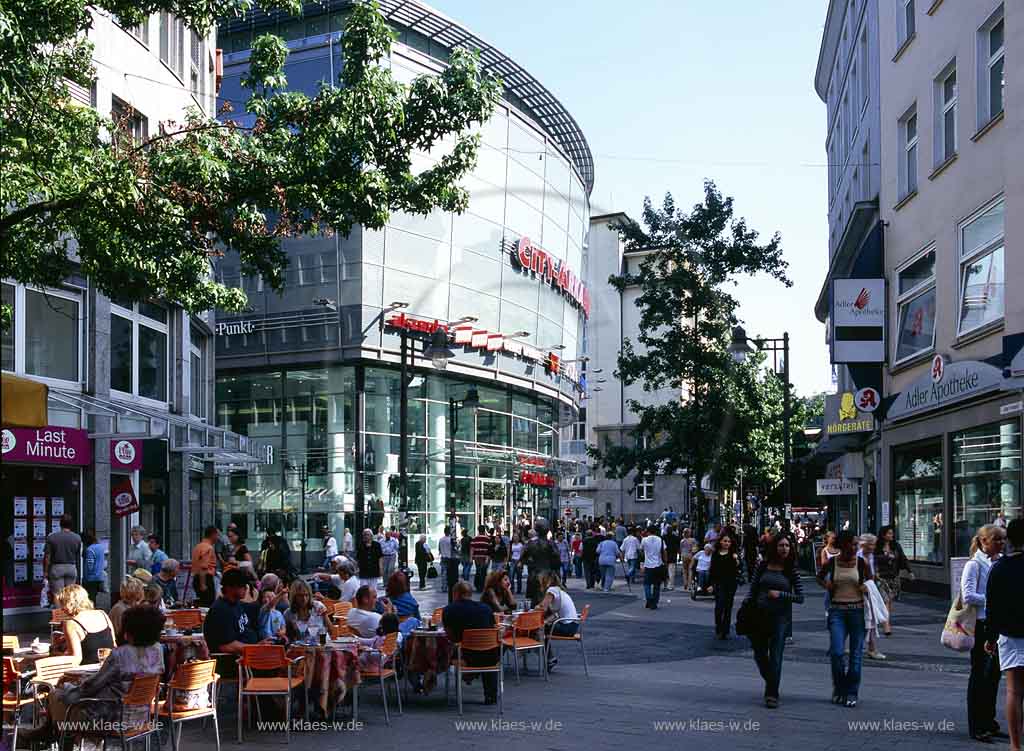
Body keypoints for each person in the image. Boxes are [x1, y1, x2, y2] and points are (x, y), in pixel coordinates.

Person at [22, 605, 166, 746]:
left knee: (56, 696)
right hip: (141, 718)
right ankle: (52, 733)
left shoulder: (120, 655)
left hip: (111, 720)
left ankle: (51, 734)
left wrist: (67, 690)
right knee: (65, 702)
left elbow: (91, 687)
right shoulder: (157, 650)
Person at [747, 534, 804, 708]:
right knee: (759, 653)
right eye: (781, 545)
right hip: (759, 614)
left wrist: (781, 594)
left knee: (776, 655)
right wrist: (748, 604)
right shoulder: (763, 565)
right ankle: (771, 679)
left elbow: (800, 598)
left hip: (780, 617)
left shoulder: (790, 570)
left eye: (787, 545)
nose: (785, 548)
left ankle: (772, 692)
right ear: (774, 547)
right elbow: (753, 587)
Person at [963, 523, 1007, 743]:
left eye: (1002, 539)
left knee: (993, 676)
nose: (1001, 543)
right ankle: (976, 725)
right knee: (979, 674)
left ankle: (989, 722)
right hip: (980, 625)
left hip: (995, 624)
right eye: (996, 539)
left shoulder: (999, 562)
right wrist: (993, 598)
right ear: (983, 542)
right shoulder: (974, 564)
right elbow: (968, 595)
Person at [817, 529, 871, 708]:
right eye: (852, 544)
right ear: (843, 545)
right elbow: (819, 577)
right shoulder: (832, 563)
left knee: (856, 655)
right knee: (837, 652)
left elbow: (872, 583)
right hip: (837, 612)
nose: (856, 547)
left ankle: (851, 692)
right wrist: (827, 584)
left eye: (857, 544)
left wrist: (866, 587)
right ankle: (839, 688)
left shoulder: (862, 563)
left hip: (857, 612)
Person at [985, 518, 1024, 751]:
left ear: (1009, 539)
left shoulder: (999, 568)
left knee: (1013, 690)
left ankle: (1015, 745)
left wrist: (990, 638)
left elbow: (992, 606)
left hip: (1009, 634)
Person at [443, 581, 499, 704]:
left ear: (456, 594)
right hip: (491, 656)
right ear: (470, 594)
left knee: (448, 649)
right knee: (486, 649)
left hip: (466, 656)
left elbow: (450, 637)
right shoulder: (486, 608)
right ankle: (491, 695)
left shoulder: (449, 610)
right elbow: (493, 628)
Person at [204, 568, 262, 678]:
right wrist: (255, 649)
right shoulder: (220, 610)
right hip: (233, 662)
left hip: (247, 656)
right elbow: (226, 646)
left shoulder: (236, 604)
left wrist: (260, 646)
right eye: (242, 586)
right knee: (272, 663)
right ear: (229, 587)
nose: (246, 588)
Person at [56, 584, 115, 665]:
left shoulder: (71, 624)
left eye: (63, 603)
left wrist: (56, 655)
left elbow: (76, 659)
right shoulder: (103, 614)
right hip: (110, 668)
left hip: (88, 673)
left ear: (72, 603)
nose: (61, 608)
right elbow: (114, 645)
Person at [535, 572, 578, 672]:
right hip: (573, 625)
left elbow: (543, 608)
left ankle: (549, 657)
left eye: (540, 581)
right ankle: (549, 657)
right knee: (543, 628)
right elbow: (556, 615)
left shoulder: (552, 590)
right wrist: (546, 621)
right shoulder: (559, 591)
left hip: (567, 627)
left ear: (546, 581)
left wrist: (532, 610)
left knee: (539, 630)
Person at [875, 525, 913, 636]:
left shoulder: (896, 546)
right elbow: (873, 559)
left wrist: (909, 571)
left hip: (893, 577)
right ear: (883, 535)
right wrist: (886, 558)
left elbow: (903, 558)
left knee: (889, 601)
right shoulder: (877, 547)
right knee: (886, 600)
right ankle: (887, 627)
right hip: (881, 577)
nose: (891, 535)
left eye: (892, 533)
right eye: (889, 533)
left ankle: (885, 620)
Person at [858, 534, 888, 661]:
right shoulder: (859, 557)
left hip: (869, 589)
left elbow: (872, 574)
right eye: (871, 544)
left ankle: (869, 648)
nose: (873, 547)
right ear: (864, 544)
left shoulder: (869, 556)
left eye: (874, 544)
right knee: (867, 620)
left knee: (869, 620)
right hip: (861, 590)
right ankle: (869, 648)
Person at [709, 534, 740, 639]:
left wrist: (736, 560)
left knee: (728, 607)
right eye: (725, 541)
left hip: (730, 584)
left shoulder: (733, 554)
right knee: (719, 606)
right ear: (720, 542)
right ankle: (719, 626)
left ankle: (725, 630)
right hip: (719, 584)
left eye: (729, 542)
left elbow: (737, 569)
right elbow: (712, 569)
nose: (727, 543)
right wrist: (710, 584)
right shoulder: (716, 554)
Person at [44, 514, 82, 600]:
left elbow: (47, 557)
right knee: (70, 596)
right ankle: (69, 612)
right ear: (71, 524)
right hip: (71, 567)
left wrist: (46, 572)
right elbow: (78, 554)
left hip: (57, 568)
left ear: (60, 523)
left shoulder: (52, 537)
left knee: (58, 595)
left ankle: (59, 613)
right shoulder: (77, 538)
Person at [109, 576, 144, 643]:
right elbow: (120, 635)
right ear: (137, 592)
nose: (144, 591)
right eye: (142, 589)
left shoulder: (132, 606)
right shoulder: (120, 609)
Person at [191, 526, 220, 607]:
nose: (218, 538)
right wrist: (203, 584)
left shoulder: (198, 546)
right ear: (213, 535)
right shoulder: (208, 548)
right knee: (207, 606)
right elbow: (203, 567)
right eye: (217, 535)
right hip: (205, 579)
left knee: (201, 604)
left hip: (197, 578)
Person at [640, 524, 667, 609]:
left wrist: (642, 563)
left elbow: (641, 551)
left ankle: (649, 599)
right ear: (656, 531)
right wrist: (665, 563)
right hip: (658, 564)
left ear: (648, 531)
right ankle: (654, 602)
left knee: (646, 584)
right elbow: (664, 552)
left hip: (648, 565)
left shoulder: (644, 540)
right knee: (656, 585)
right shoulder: (661, 540)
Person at [82, 531, 106, 602]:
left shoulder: (90, 549)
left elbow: (90, 564)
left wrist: (86, 576)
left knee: (90, 598)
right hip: (99, 576)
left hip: (91, 577)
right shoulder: (101, 547)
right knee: (94, 597)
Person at [470, 525, 493, 593]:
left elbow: (472, 549)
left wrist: (471, 558)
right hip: (485, 558)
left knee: (478, 571)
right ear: (484, 530)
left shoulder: (474, 539)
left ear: (478, 530)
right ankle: (482, 586)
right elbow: (490, 550)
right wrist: (488, 558)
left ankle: (478, 585)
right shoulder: (488, 539)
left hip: (477, 558)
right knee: (483, 572)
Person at [438, 525, 458, 597]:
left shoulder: (441, 539)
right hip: (450, 558)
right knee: (450, 573)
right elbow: (455, 549)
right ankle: (449, 585)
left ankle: (444, 586)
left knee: (444, 572)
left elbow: (439, 548)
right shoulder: (451, 540)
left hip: (443, 557)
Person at [662, 525, 680, 591]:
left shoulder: (663, 537)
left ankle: (665, 585)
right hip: (673, 556)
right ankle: (671, 585)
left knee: (665, 572)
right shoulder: (676, 537)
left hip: (664, 557)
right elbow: (678, 546)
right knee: (671, 572)